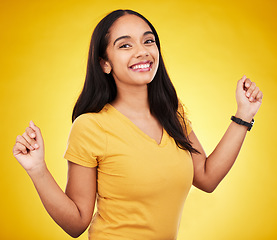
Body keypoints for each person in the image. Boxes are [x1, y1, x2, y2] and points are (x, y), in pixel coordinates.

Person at [13, 9, 263, 240]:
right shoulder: (90, 127)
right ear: (104, 63)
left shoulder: (172, 113)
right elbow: (77, 223)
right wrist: (38, 169)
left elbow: (207, 178)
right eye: (125, 45)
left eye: (148, 40)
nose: (142, 51)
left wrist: (244, 114)